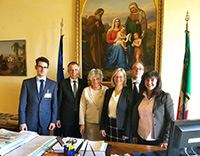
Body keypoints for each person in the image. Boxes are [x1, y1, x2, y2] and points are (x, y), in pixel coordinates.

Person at [132, 71, 174, 149]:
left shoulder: (165, 97)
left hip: (157, 140)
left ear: (157, 81)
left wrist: (165, 140)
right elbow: (136, 117)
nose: (149, 82)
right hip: (140, 137)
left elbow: (170, 120)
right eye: (147, 80)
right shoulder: (140, 96)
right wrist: (134, 134)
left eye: (152, 80)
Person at [18, 57, 57, 135]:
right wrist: (22, 122)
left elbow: (54, 105)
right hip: (30, 122)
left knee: (44, 145)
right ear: (36, 67)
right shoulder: (27, 83)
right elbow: (22, 105)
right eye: (40, 67)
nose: (43, 69)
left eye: (45, 67)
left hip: (46, 123)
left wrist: (53, 121)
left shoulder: (53, 84)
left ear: (48, 69)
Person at [100, 68, 132, 142]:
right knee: (110, 149)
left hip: (122, 127)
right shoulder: (108, 92)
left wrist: (127, 132)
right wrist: (102, 127)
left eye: (120, 77)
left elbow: (129, 114)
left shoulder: (129, 94)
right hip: (109, 125)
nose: (118, 79)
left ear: (124, 78)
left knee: (121, 151)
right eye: (116, 77)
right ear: (113, 78)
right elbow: (104, 110)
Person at [56, 62, 87, 138]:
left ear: (78, 71)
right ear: (68, 71)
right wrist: (58, 118)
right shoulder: (62, 83)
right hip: (66, 119)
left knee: (78, 141)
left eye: (76, 70)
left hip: (79, 119)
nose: (74, 72)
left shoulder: (84, 83)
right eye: (71, 70)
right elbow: (58, 102)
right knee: (67, 141)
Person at [79, 68, 108, 140]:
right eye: (93, 79)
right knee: (89, 145)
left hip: (102, 125)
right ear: (90, 80)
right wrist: (82, 123)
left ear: (101, 79)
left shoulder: (106, 90)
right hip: (89, 124)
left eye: (97, 79)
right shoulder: (86, 90)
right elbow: (82, 107)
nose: (95, 81)